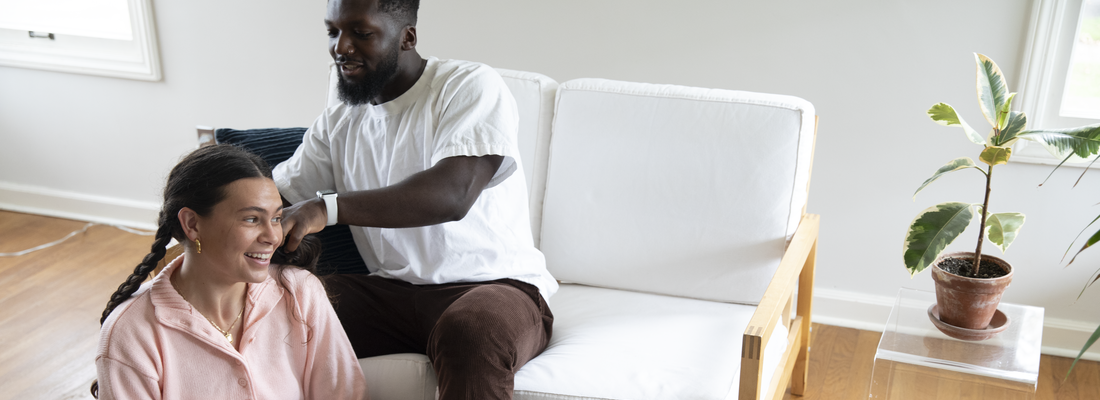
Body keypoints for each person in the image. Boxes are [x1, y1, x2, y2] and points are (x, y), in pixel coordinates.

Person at [273, 0, 557, 398]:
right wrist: (205, 223)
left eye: (361, 33)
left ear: (407, 37)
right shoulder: (340, 117)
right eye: (333, 32)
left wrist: (327, 208)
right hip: (390, 292)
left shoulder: (468, 85)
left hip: (495, 288)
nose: (341, 47)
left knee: (470, 330)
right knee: (270, 301)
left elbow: (452, 195)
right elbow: (281, 194)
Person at [92, 144, 367, 399]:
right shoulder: (131, 332)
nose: (273, 236)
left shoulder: (300, 292)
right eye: (251, 219)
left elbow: (343, 394)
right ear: (192, 224)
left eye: (276, 218)